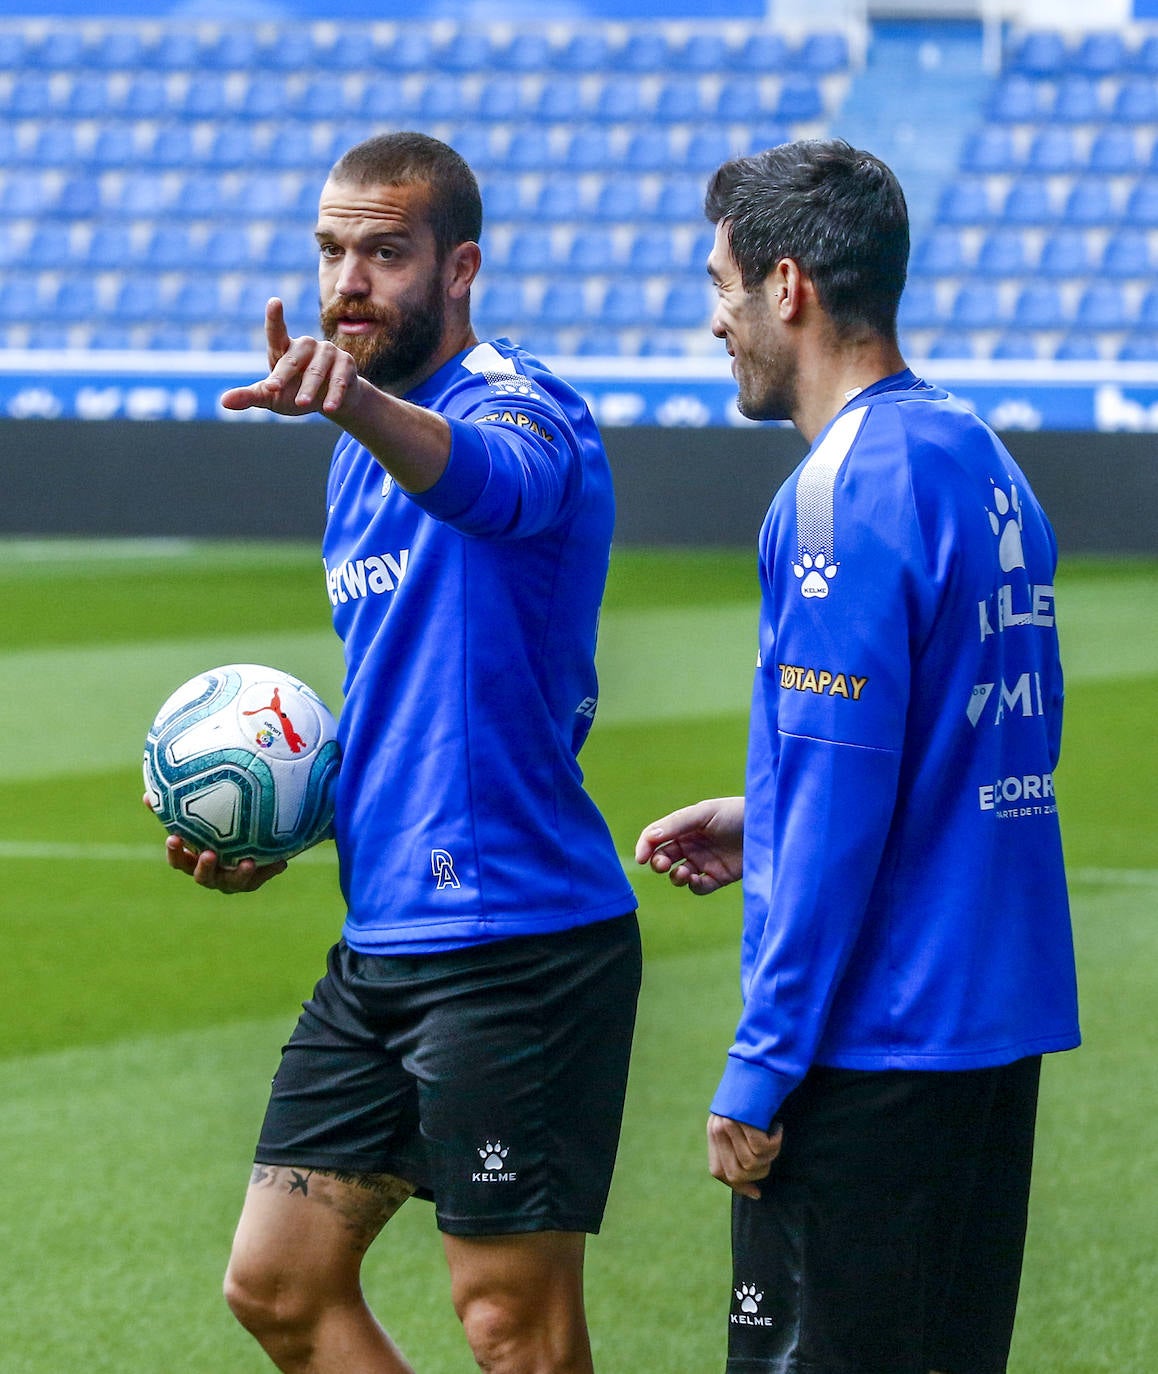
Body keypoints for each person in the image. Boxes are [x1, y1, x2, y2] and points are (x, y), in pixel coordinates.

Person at [156, 131, 641, 1374]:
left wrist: (363, 407)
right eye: (331, 251)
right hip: (385, 942)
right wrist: (284, 822)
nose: (347, 281)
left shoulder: (520, 405)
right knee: (277, 1285)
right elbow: (407, 688)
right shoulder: (353, 460)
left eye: (384, 251)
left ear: (460, 266)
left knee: (511, 1330)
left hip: (517, 946)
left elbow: (492, 486)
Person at [635, 139, 1080, 1374]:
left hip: (873, 1044)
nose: (714, 322)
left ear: (789, 288)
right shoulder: (985, 461)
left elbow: (840, 807)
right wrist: (763, 811)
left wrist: (760, 1064)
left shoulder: (833, 497)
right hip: (991, 1036)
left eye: (720, 287)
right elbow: (978, 730)